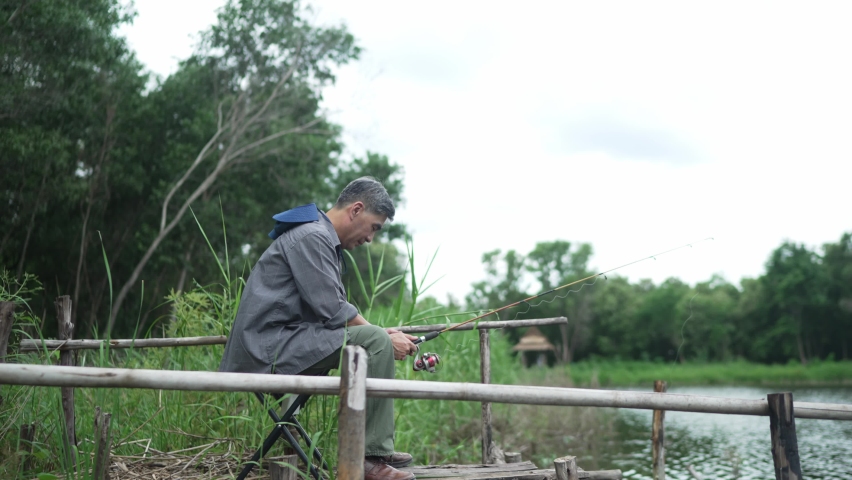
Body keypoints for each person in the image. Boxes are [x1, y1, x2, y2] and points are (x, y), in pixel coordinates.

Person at [220, 177, 418, 480]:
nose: (370, 239)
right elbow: (334, 310)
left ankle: (374, 450)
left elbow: (330, 312)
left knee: (376, 337)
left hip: (280, 342)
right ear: (356, 209)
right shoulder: (312, 236)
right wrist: (381, 336)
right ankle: (369, 457)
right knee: (375, 340)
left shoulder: (318, 236)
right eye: (374, 227)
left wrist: (381, 333)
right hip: (265, 351)